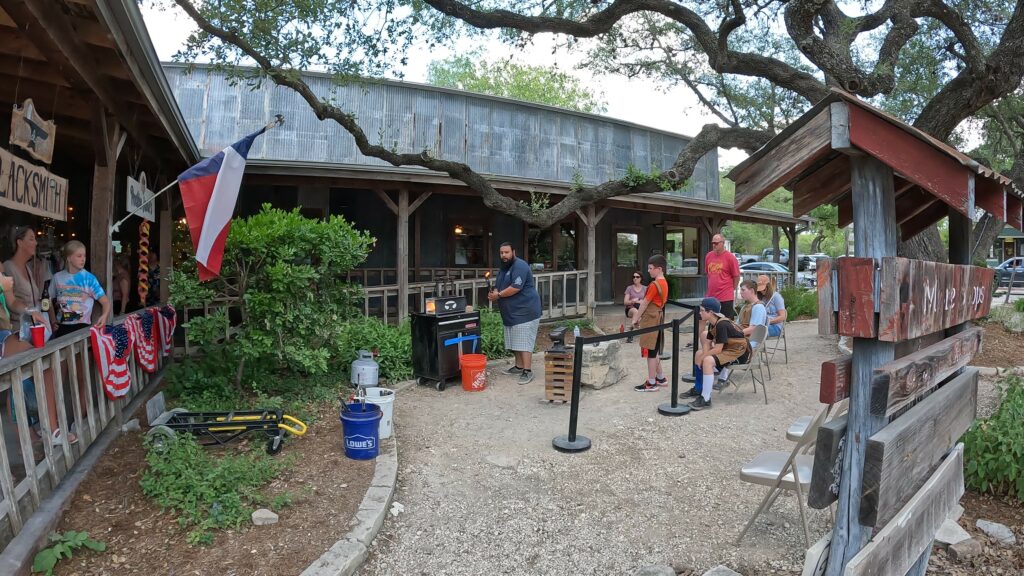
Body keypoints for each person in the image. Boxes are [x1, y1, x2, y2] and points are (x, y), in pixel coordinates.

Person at [488, 242, 542, 385]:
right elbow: (498, 286)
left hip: (525, 311)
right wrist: (494, 292)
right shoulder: (504, 268)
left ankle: (527, 371)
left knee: (524, 342)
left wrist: (498, 295)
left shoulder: (520, 266)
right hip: (511, 313)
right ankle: (519, 367)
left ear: (513, 252)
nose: (504, 255)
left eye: (506, 252)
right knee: (515, 341)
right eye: (501, 253)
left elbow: (515, 288)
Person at [688, 297, 750, 411]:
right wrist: (703, 354)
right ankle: (699, 388)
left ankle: (706, 399)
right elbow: (707, 341)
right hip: (729, 350)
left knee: (707, 361)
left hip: (740, 353)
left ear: (710, 312)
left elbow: (717, 349)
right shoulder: (713, 323)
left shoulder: (721, 324)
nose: (700, 312)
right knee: (698, 354)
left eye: (702, 310)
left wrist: (704, 357)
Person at [49, 241, 111, 338]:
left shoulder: (89, 278)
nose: (83, 259)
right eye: (79, 256)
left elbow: (105, 302)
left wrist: (104, 316)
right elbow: (48, 299)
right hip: (61, 327)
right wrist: (52, 320)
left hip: (82, 327)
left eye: (84, 256)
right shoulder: (57, 277)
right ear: (69, 258)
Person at [3, 225, 52, 332]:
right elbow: (11, 301)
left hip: (33, 328)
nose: (36, 243)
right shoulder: (8, 267)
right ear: (19, 242)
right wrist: (29, 311)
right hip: (18, 331)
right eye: (31, 239)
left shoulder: (27, 267)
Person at [632, 255, 669, 392]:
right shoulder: (664, 282)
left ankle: (652, 382)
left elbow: (645, 303)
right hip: (658, 316)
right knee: (654, 349)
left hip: (651, 318)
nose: (648, 271)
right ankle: (660, 377)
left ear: (659, 269)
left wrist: (636, 318)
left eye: (650, 268)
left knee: (650, 351)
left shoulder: (654, 284)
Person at [704, 233, 741, 319]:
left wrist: (732, 288)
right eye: (713, 243)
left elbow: (736, 276)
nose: (714, 245)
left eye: (716, 243)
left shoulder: (730, 258)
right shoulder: (708, 256)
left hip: (725, 297)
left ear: (723, 243)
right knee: (713, 323)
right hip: (711, 296)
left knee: (725, 322)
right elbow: (708, 273)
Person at [738, 280, 768, 349]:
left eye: (743, 290)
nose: (740, 292)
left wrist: (734, 334)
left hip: (750, 341)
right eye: (740, 290)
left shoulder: (758, 307)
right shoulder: (745, 307)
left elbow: (753, 329)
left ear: (751, 291)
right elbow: (737, 324)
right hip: (742, 337)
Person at [623, 271, 645, 343]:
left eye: (637, 277)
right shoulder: (629, 288)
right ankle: (635, 326)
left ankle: (631, 330)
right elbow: (625, 302)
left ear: (641, 278)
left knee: (639, 312)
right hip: (630, 308)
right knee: (636, 312)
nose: (635, 278)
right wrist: (633, 301)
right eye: (633, 277)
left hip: (641, 308)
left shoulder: (645, 288)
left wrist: (641, 301)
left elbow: (647, 301)